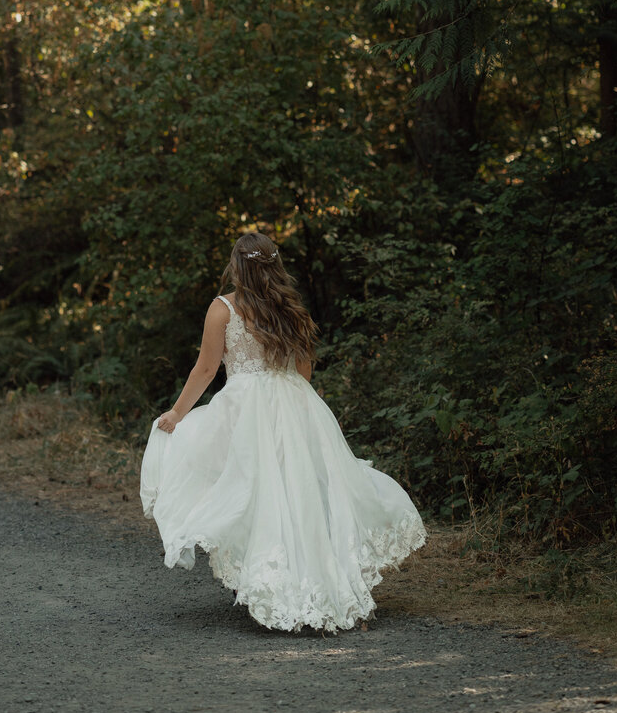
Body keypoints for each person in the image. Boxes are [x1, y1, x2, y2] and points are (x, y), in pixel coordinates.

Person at [140, 231, 426, 633]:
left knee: (260, 493)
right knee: (305, 490)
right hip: (295, 400)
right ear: (274, 265)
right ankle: (326, 582)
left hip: (246, 408)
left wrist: (177, 412)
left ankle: (279, 583)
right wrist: (297, 400)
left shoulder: (222, 309)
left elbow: (206, 369)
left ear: (236, 266)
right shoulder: (288, 307)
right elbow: (305, 367)